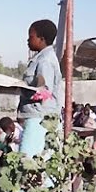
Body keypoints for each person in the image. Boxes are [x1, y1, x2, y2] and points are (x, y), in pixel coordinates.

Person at [18, 19, 62, 157]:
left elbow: (44, 93)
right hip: (42, 118)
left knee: (26, 163)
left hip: (39, 119)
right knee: (43, 164)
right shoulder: (43, 57)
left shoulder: (45, 61)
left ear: (41, 39)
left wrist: (19, 88)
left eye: (31, 37)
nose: (27, 40)